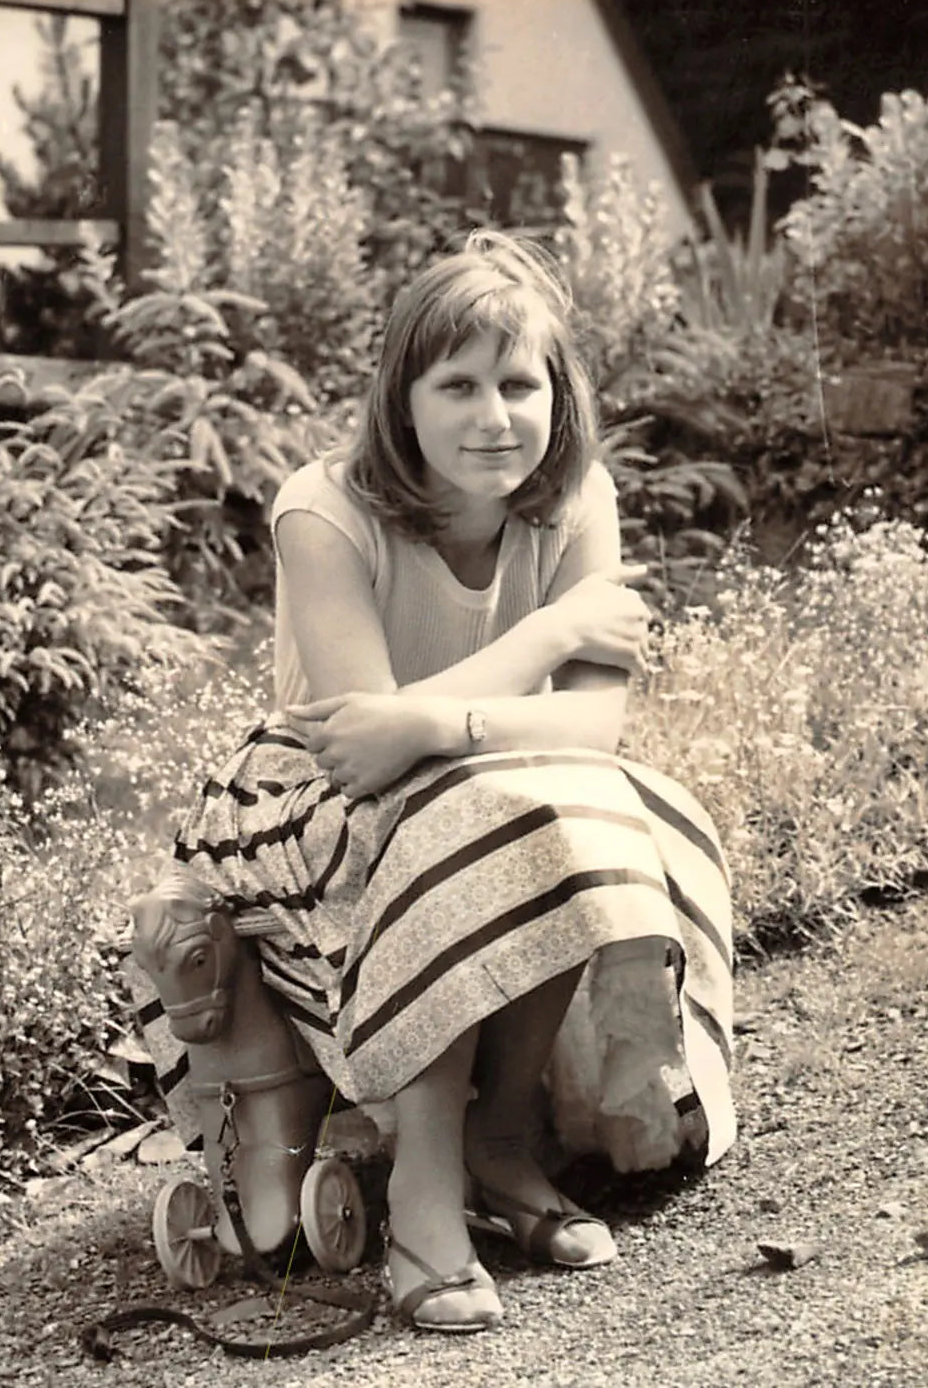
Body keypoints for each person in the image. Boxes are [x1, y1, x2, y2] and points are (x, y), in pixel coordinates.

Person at [133, 230, 735, 1333]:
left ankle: (498, 1150)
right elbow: (366, 743)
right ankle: (422, 1193)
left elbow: (592, 727)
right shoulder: (324, 507)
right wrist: (552, 625)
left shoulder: (576, 496)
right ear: (400, 399)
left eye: (519, 383)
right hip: (303, 800)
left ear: (559, 393)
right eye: (455, 384)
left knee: (592, 812)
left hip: (498, 781)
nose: (492, 415)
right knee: (451, 824)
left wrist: (438, 718)